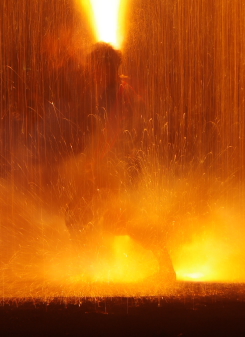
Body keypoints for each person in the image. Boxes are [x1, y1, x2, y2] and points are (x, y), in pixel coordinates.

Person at [63, 42, 177, 283]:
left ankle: (165, 267)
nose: (91, 73)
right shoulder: (112, 91)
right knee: (80, 215)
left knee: (116, 221)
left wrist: (92, 162)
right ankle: (90, 266)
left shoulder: (120, 92)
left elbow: (113, 130)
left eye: (95, 67)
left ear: (106, 68)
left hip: (125, 167)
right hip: (118, 166)